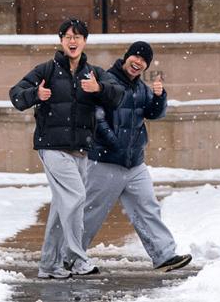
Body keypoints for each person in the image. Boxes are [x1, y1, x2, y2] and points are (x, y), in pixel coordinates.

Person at [9, 18, 124, 279]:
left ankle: (48, 266)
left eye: (78, 37)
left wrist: (100, 88)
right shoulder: (46, 70)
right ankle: (77, 258)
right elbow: (16, 94)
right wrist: (35, 95)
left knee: (63, 207)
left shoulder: (93, 72)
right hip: (52, 147)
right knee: (76, 198)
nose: (73, 41)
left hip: (80, 150)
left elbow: (118, 95)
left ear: (85, 41)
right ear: (61, 41)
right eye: (68, 36)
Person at [83, 41, 192, 273]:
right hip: (105, 161)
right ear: (127, 57)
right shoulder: (107, 80)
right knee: (90, 213)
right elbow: (97, 117)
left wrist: (160, 97)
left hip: (134, 164)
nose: (138, 62)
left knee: (148, 208)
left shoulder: (141, 88)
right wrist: (111, 142)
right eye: (136, 57)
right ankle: (68, 256)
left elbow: (154, 113)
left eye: (144, 60)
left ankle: (164, 256)